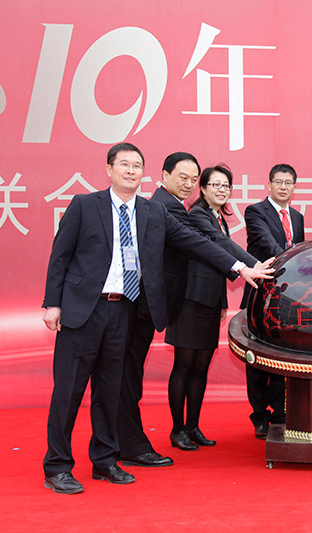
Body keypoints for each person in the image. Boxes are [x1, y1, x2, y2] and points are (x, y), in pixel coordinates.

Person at [41, 143, 273, 494]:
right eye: (124, 164)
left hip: (124, 310)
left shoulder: (153, 213)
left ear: (144, 173)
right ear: (109, 169)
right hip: (83, 311)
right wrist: (53, 304)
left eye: (137, 165)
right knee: (69, 391)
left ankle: (104, 460)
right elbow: (60, 256)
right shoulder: (85, 205)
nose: (130, 171)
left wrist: (241, 267)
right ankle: (57, 466)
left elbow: (197, 242)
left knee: (110, 390)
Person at [165, 164, 265, 449]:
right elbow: (219, 245)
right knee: (184, 366)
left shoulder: (217, 216)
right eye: (216, 185)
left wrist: (221, 302)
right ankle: (177, 429)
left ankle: (193, 426)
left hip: (209, 301)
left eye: (226, 186)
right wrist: (255, 264)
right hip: (190, 301)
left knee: (201, 367)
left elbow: (218, 262)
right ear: (203, 188)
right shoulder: (197, 214)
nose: (222, 190)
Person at [116, 151, 201, 468]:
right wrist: (242, 266)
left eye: (194, 179)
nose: (189, 184)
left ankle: (119, 442)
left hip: (141, 306)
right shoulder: (164, 208)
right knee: (126, 377)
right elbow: (203, 243)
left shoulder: (165, 206)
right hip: (136, 306)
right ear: (164, 176)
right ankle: (129, 445)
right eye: (183, 177)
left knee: (127, 376)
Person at [241, 163, 305, 439]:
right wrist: (291, 263)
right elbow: (267, 244)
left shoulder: (298, 217)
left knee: (283, 356)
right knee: (257, 358)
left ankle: (280, 411)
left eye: (288, 182)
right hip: (261, 293)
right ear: (269, 185)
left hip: (287, 298)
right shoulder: (255, 211)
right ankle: (259, 415)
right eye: (278, 182)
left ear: (294, 187)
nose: (283, 187)